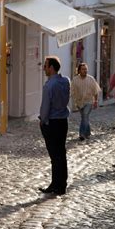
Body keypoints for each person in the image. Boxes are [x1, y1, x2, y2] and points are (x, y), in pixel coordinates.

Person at [38, 56, 70, 196]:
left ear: (51, 68)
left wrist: (42, 120)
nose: (44, 68)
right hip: (63, 121)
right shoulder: (66, 81)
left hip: (52, 122)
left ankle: (56, 185)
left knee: (54, 156)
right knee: (61, 154)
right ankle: (61, 184)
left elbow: (45, 106)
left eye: (45, 66)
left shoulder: (49, 85)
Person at [71, 62, 101, 141]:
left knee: (84, 115)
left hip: (89, 101)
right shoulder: (75, 79)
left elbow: (96, 91)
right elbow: (72, 91)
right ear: (79, 70)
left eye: (86, 69)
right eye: (83, 69)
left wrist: (96, 101)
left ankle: (82, 134)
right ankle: (88, 132)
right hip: (79, 102)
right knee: (85, 117)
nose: (85, 71)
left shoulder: (91, 79)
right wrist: (74, 100)